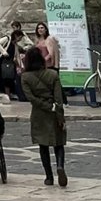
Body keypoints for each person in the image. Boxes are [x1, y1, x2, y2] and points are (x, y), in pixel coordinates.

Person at [21, 46, 67, 187]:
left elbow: (30, 98)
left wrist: (43, 105)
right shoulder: (53, 74)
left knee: (43, 145)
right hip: (53, 111)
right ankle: (60, 166)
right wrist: (59, 114)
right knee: (59, 142)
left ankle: (49, 177)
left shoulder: (25, 77)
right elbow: (59, 97)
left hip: (38, 113)